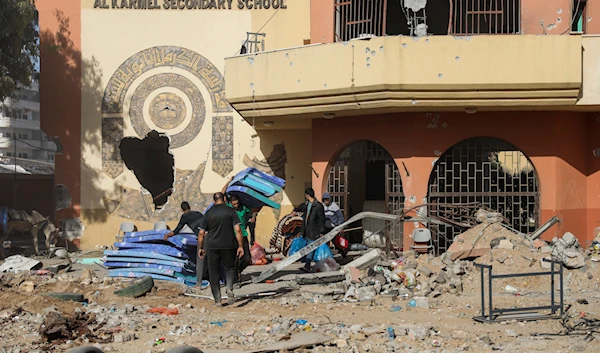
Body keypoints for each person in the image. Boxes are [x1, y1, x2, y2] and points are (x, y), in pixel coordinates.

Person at [198, 192, 244, 307]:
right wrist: (240, 246)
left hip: (212, 246)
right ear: (224, 199)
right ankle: (229, 288)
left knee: (214, 273)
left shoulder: (208, 213)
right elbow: (238, 230)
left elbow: (201, 233)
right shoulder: (230, 211)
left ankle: (218, 301)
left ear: (214, 201)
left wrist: (201, 247)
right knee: (229, 268)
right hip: (228, 244)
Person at [163, 202, 209, 289]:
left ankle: (198, 284)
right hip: (212, 235)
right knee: (210, 259)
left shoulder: (185, 216)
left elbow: (177, 230)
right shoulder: (198, 213)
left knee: (200, 260)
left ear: (182, 210)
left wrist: (167, 235)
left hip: (203, 237)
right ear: (190, 207)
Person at [292, 188, 326, 273]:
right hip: (307, 230)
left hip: (314, 230)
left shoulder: (318, 206)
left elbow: (321, 219)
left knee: (311, 247)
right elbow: (300, 208)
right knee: (308, 247)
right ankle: (306, 263)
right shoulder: (307, 205)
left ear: (307, 195)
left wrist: (321, 231)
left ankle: (307, 265)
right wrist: (295, 211)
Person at [322, 192, 347, 258]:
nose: (326, 201)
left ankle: (343, 255)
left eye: (327, 200)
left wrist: (340, 226)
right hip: (325, 227)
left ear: (330, 199)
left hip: (333, 227)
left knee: (335, 242)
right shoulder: (322, 206)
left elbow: (340, 217)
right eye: (325, 200)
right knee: (324, 242)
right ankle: (327, 257)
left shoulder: (334, 206)